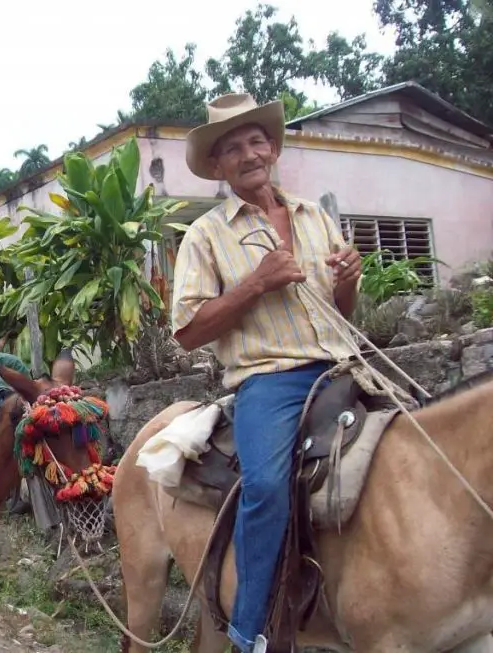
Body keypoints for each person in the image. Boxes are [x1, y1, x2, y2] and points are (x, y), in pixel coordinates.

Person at [170, 93, 362, 652]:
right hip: (271, 382)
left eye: (256, 141)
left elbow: (341, 312)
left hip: (344, 366)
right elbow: (186, 331)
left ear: (273, 148)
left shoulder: (314, 216)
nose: (249, 153)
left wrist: (348, 279)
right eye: (232, 148)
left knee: (422, 443)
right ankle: (248, 631)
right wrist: (255, 283)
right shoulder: (206, 235)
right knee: (266, 486)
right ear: (217, 167)